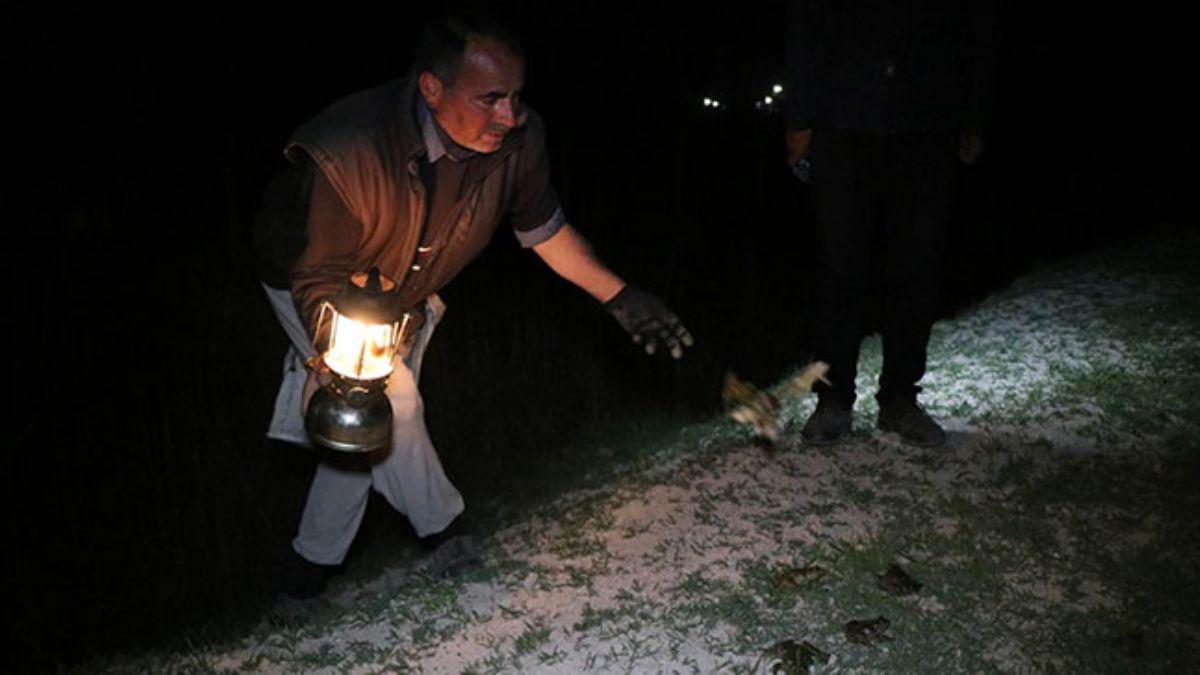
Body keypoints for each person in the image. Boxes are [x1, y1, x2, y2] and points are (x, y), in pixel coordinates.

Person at [255, 13, 693, 598]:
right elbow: (318, 276)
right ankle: (443, 530)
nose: (509, 116)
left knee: (365, 416)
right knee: (383, 395)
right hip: (308, 274)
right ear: (432, 89)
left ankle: (305, 573)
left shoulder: (518, 139)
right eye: (490, 98)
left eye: (516, 97)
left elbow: (546, 232)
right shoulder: (353, 143)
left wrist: (618, 295)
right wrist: (343, 359)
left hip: (403, 283)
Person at [784, 0, 997, 447]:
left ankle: (900, 398)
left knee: (916, 268)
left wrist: (971, 115)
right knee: (839, 271)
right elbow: (806, 23)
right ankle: (833, 399)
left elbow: (972, 25)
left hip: (926, 120)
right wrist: (800, 122)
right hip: (841, 122)